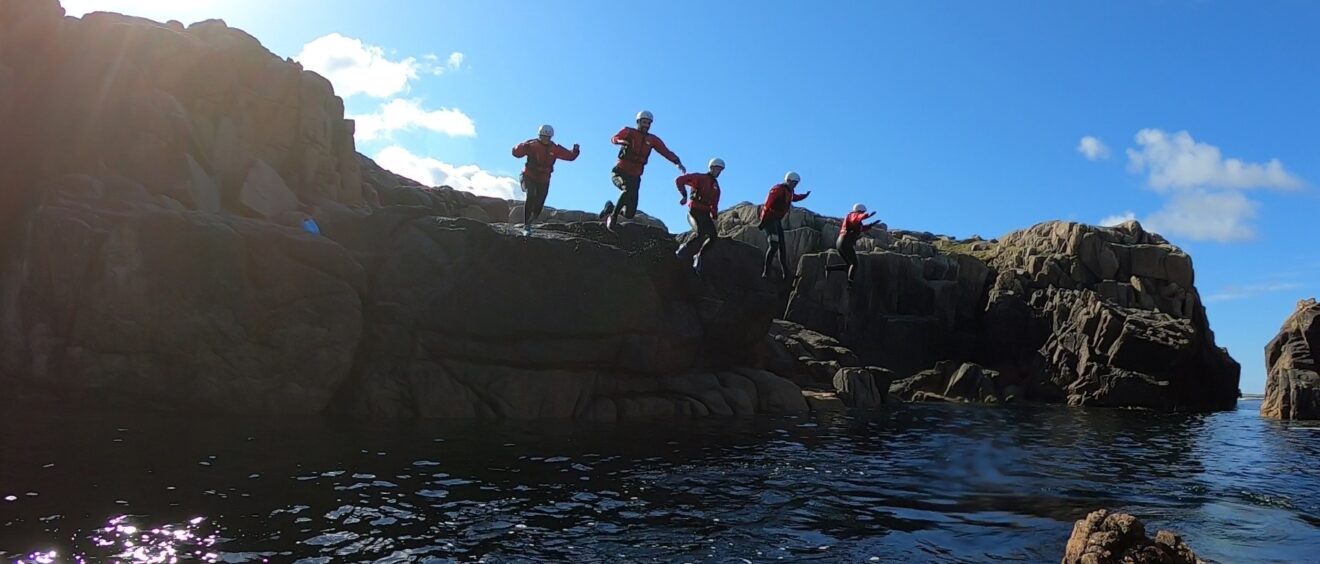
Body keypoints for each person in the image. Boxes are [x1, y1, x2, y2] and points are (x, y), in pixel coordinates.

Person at [600, 110, 685, 231]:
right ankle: (613, 217)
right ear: (638, 122)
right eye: (644, 122)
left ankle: (610, 208)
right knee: (626, 189)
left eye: (648, 123)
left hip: (635, 177)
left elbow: (665, 151)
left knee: (630, 213)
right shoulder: (629, 131)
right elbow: (615, 138)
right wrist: (620, 141)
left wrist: (677, 162)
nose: (646, 125)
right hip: (620, 172)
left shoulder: (652, 139)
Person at [512, 124, 580, 236]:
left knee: (539, 205)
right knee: (531, 194)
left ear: (551, 137)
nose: (545, 139)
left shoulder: (555, 148)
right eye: (542, 136)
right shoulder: (531, 145)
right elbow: (516, 153)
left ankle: (531, 222)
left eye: (547, 137)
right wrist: (521, 147)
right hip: (528, 176)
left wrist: (575, 150)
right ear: (539, 135)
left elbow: (569, 156)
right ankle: (526, 225)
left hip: (543, 180)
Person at [757, 171, 811, 279]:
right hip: (769, 219)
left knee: (782, 246)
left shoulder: (789, 191)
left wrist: (804, 196)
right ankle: (766, 272)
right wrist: (763, 221)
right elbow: (768, 205)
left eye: (796, 183)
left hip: (776, 220)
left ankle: (785, 273)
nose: (794, 185)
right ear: (788, 180)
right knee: (774, 245)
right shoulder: (778, 189)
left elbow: (794, 197)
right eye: (793, 182)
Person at [674, 158, 725, 268]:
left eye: (720, 170)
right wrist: (684, 196)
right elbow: (679, 180)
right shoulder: (699, 177)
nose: (719, 172)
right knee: (701, 233)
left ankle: (699, 256)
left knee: (713, 237)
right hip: (694, 212)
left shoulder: (716, 187)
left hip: (705, 215)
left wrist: (714, 215)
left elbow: (714, 204)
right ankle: (683, 248)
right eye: (717, 169)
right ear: (711, 168)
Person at [826, 203, 881, 287]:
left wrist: (872, 224)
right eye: (862, 212)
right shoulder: (853, 215)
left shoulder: (854, 220)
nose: (862, 214)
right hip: (845, 242)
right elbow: (858, 217)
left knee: (849, 265)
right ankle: (850, 285)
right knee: (855, 264)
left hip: (841, 242)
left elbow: (861, 228)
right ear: (859, 211)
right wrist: (868, 215)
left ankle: (829, 268)